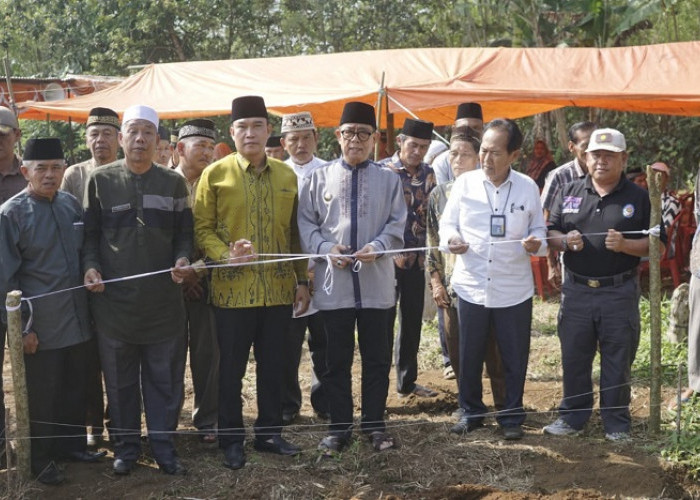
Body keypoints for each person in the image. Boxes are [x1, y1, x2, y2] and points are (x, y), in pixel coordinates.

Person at [194, 96, 309, 471]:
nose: (250, 133)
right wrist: (226, 253)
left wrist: (302, 280)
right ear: (232, 132)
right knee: (231, 370)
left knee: (274, 365)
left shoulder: (287, 175)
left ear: (268, 130)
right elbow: (202, 230)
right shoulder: (216, 174)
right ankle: (231, 439)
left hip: (277, 289)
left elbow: (295, 234)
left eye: (257, 126)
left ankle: (269, 433)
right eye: (242, 127)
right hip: (231, 292)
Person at [83, 105, 193, 476]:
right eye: (133, 131)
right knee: (120, 383)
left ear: (159, 140)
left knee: (164, 381)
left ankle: (163, 447)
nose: (141, 139)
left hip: (164, 306)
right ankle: (126, 449)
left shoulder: (173, 183)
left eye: (148, 132)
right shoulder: (100, 181)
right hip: (114, 309)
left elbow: (184, 235)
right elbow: (90, 237)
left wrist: (182, 259)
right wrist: (91, 267)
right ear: (121, 138)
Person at [298, 101, 406, 455]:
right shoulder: (318, 179)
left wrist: (378, 245)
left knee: (376, 359)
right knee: (335, 360)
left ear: (374, 139)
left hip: (376, 286)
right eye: (349, 133)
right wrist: (326, 247)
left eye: (363, 133)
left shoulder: (389, 180)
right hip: (335, 288)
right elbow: (306, 225)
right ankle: (339, 428)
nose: (355, 139)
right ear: (337, 136)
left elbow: (397, 224)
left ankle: (374, 425)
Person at [0, 138, 105, 485]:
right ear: (25, 171)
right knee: (43, 396)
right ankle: (41, 460)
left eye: (56, 167)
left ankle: (72, 447)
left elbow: (87, 250)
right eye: (41, 169)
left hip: (76, 318)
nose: (49, 175)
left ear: (64, 169)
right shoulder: (11, 214)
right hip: (40, 327)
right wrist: (23, 330)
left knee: (74, 386)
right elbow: (6, 280)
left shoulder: (71, 205)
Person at [439, 118, 546, 441]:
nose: (486, 159)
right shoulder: (465, 184)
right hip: (471, 285)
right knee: (468, 355)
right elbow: (447, 226)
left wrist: (534, 241)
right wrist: (453, 239)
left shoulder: (528, 187)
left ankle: (511, 416)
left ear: (514, 155)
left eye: (495, 153)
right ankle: (470, 411)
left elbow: (539, 229)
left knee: (514, 356)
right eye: (483, 151)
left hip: (513, 288)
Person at [543, 128, 653, 441]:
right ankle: (573, 418)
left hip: (619, 291)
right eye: (595, 154)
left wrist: (626, 246)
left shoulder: (639, 197)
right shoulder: (570, 191)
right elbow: (550, 231)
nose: (601, 161)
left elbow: (655, 245)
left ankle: (616, 422)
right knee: (575, 355)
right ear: (585, 156)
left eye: (609, 155)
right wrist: (564, 241)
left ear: (624, 158)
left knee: (618, 358)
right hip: (577, 289)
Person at [426, 127, 506, 410]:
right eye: (453, 154)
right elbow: (432, 242)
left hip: (489, 285)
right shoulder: (438, 195)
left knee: (495, 351)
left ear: (480, 157)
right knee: (459, 350)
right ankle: (468, 406)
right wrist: (436, 283)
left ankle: (504, 406)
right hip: (452, 288)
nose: (457, 160)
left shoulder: (494, 190)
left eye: (464, 154)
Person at [60, 106, 121, 447]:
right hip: (85, 275)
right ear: (86, 140)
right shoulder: (74, 175)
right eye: (94, 134)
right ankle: (93, 426)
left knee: (120, 355)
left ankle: (120, 423)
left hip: (121, 277)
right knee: (87, 356)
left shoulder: (132, 172)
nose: (101, 141)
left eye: (107, 134)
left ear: (119, 139)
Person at [380, 118, 438, 398]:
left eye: (424, 147)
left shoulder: (429, 173)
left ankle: (407, 382)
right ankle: (378, 382)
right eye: (413, 145)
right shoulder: (382, 171)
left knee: (412, 320)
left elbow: (433, 215)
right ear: (401, 141)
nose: (418, 151)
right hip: (386, 261)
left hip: (417, 259)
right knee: (383, 321)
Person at [279, 111, 329, 424]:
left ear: (316, 138)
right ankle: (287, 404)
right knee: (287, 343)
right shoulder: (275, 173)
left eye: (306, 138)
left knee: (324, 342)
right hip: (286, 273)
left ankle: (324, 401)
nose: (300, 145)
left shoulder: (330, 171)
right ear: (283, 143)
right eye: (293, 139)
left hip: (324, 273)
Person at [173, 119, 219, 443]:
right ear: (179, 148)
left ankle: (208, 421)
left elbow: (223, 234)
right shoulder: (161, 183)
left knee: (208, 354)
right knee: (168, 356)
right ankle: (166, 422)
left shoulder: (218, 184)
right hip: (168, 285)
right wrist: (181, 274)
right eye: (199, 145)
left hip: (208, 282)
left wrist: (198, 272)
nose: (205, 152)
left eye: (209, 146)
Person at [0, 105, 26, 469]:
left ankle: (39, 448)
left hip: (27, 296)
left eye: (2, 135)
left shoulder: (32, 175)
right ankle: (2, 450)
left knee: (31, 376)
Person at [540, 121, 597, 288]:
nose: (591, 151)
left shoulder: (608, 172)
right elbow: (546, 221)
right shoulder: (559, 177)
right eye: (586, 145)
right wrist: (551, 264)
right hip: (571, 259)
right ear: (572, 147)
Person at [431, 102, 484, 185]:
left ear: (482, 131)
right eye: (463, 128)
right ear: (454, 129)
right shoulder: (441, 163)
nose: (469, 132)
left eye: (475, 128)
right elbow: (441, 194)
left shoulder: (490, 161)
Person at [650, 162, 680, 228]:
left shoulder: (672, 202)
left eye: (659, 176)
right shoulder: (643, 198)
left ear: (667, 179)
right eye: (652, 175)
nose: (655, 179)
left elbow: (666, 231)